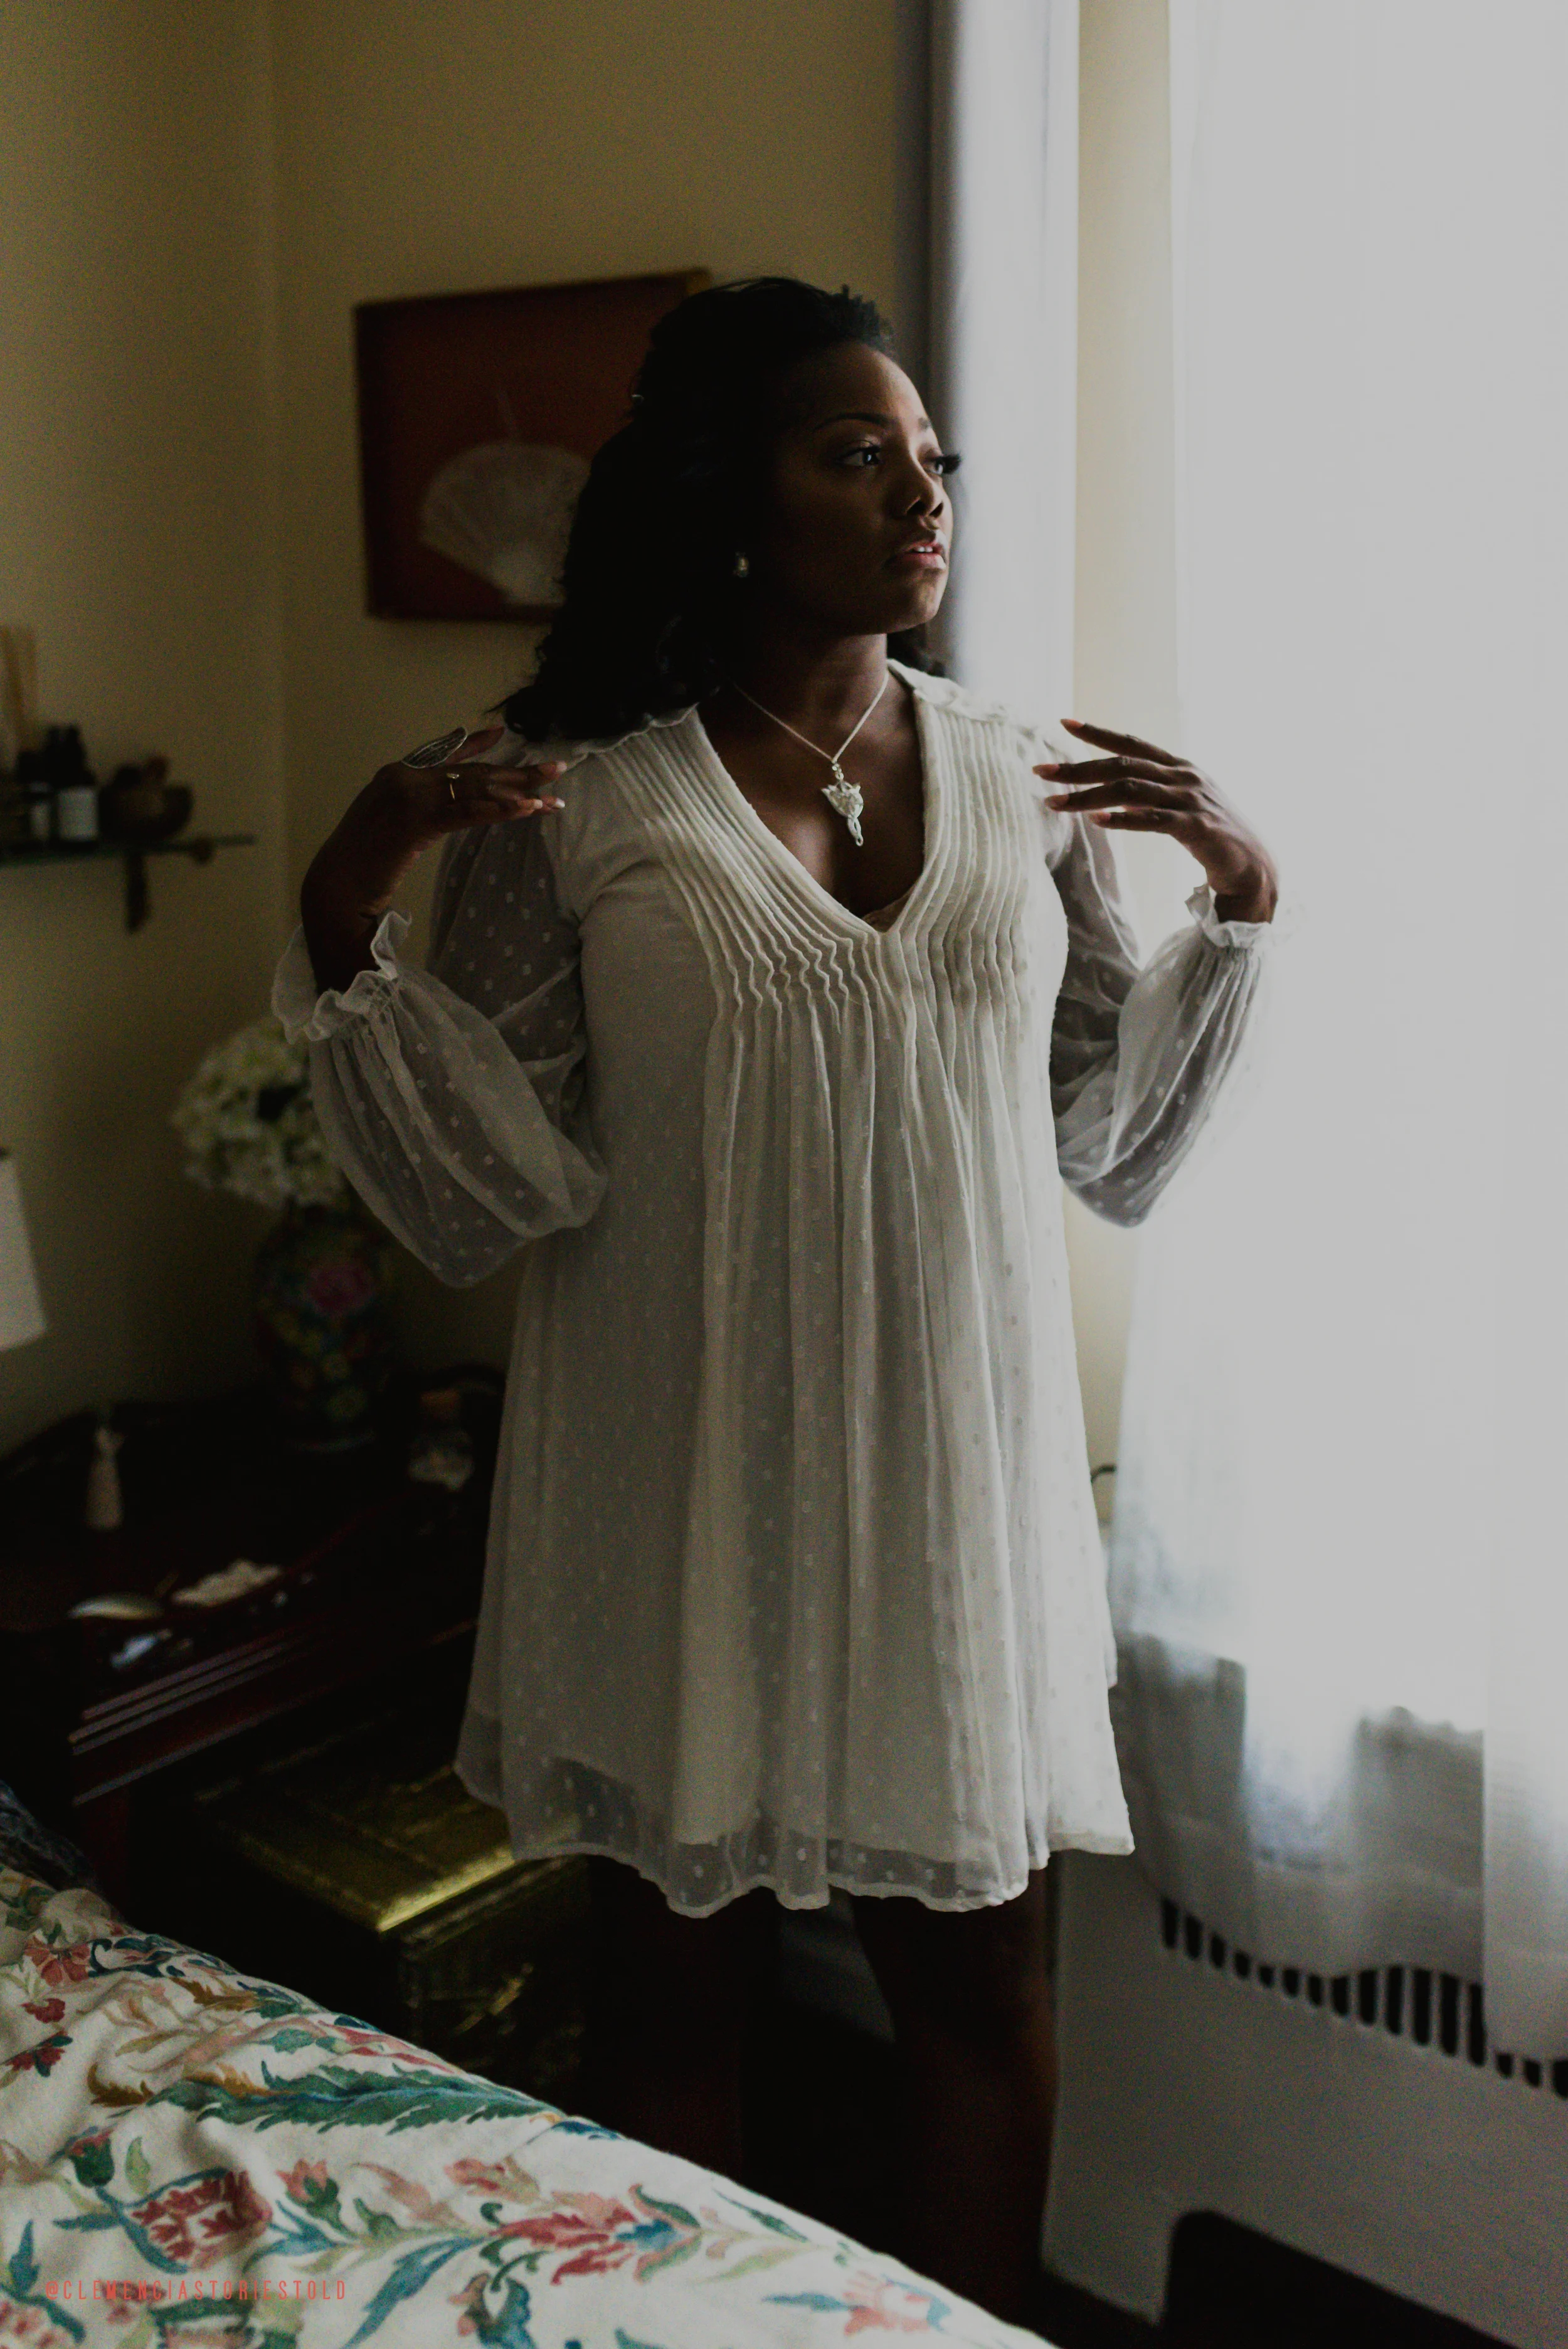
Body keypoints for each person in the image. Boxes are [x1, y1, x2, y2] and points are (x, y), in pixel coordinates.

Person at [275, 276, 1278, 2323]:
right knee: (673, 2013)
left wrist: (1240, 903)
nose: (923, 498)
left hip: (949, 1499)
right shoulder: (572, 789)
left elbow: (1106, 1132)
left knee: (979, 1999)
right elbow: (494, 1177)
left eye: (931, 461)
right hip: (678, 1488)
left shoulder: (1022, 775)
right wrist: (346, 892)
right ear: (730, 500)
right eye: (856, 457)